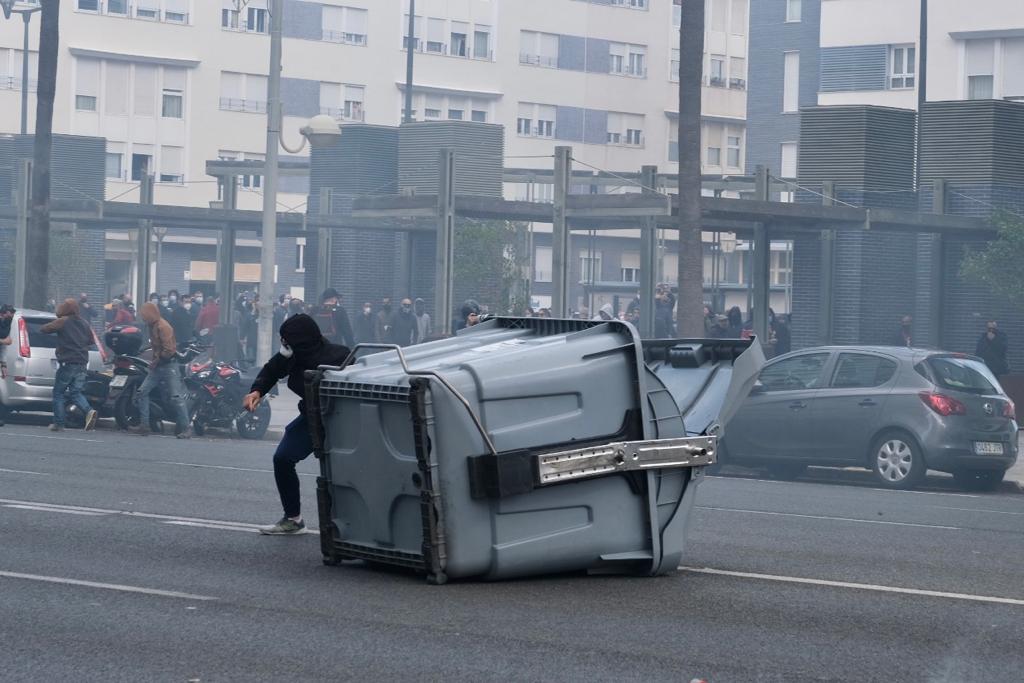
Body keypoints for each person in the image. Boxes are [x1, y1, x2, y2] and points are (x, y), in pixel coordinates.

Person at [243, 314, 350, 535]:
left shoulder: (340, 356)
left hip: (341, 420)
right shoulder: (292, 355)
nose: (284, 345)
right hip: (311, 417)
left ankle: (350, 526)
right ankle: (293, 519)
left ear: (301, 340)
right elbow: (272, 370)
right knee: (282, 458)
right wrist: (257, 390)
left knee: (343, 472)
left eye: (286, 340)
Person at [130, 302, 191, 438]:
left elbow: (169, 350)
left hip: (169, 366)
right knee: (142, 392)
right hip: (158, 366)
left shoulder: (163, 327)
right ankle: (144, 425)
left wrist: (156, 360)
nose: (143, 318)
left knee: (176, 398)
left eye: (144, 315)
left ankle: (186, 428)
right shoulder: (152, 326)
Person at [39, 299, 98, 432]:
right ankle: (89, 411)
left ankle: (59, 423)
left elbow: (44, 329)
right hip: (82, 362)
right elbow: (90, 341)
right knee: (75, 392)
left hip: (68, 362)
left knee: (58, 393)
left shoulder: (63, 321)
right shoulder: (84, 323)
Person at [0, 304, 14, 427]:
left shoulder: (6, 324)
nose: (12, 315)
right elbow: (6, 341)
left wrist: (3, 365)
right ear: (4, 312)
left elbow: (5, 344)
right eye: (11, 312)